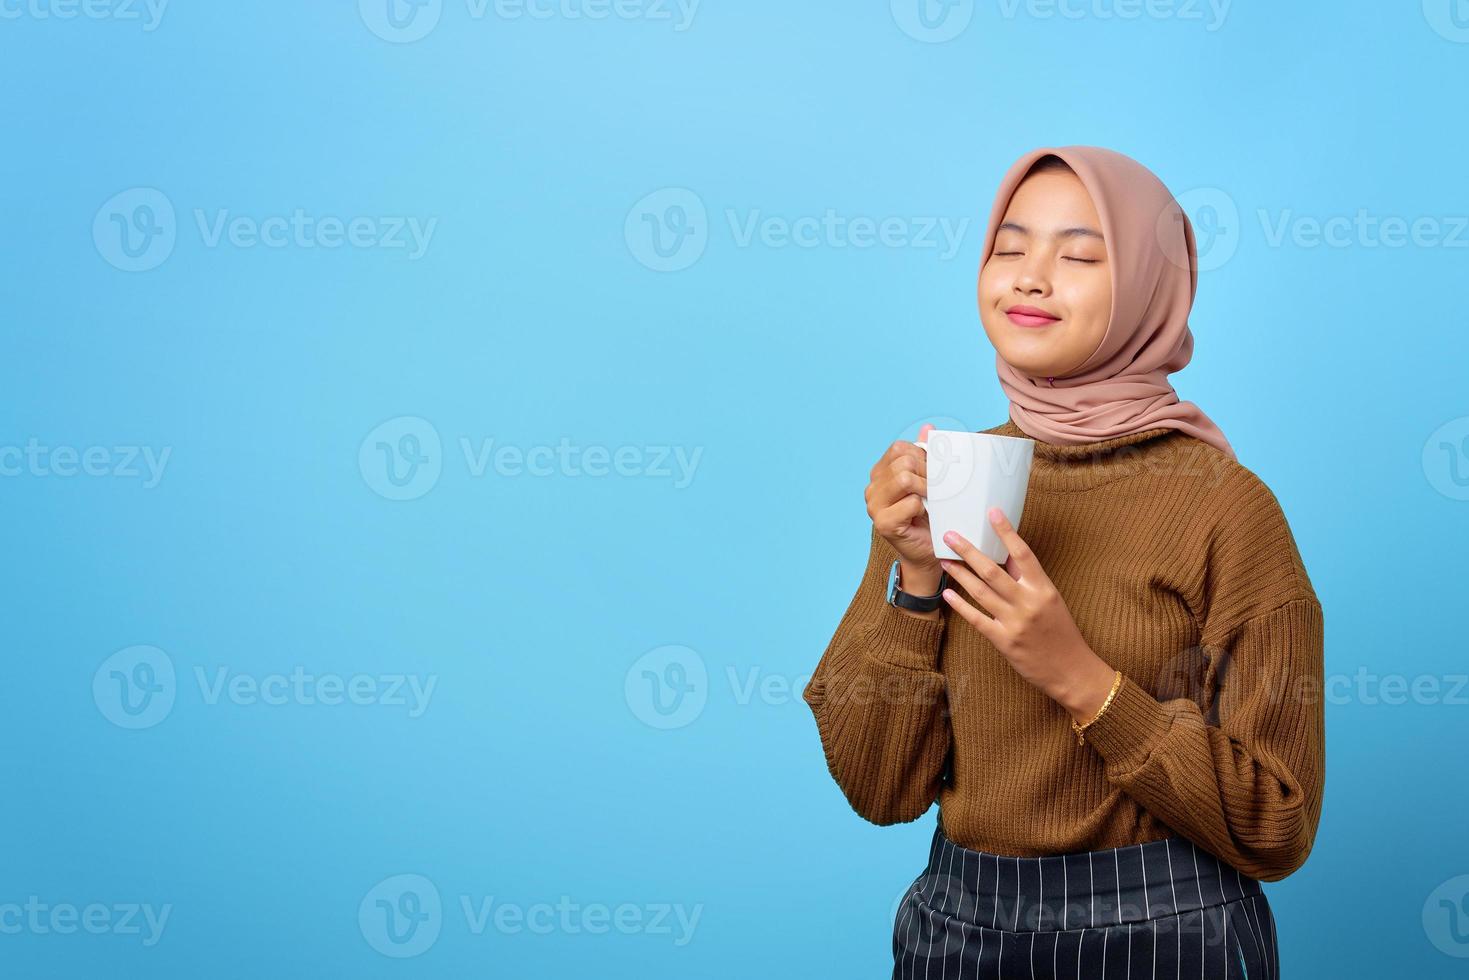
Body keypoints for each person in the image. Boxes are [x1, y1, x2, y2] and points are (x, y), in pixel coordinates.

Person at [801, 146, 1324, 980]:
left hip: (1165, 937)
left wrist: (1082, 678)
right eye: (1008, 248)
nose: (1030, 278)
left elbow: (1276, 825)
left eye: (1078, 255)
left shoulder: (1225, 506)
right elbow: (877, 790)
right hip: (958, 935)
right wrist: (914, 580)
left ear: (1149, 292)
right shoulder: (946, 481)